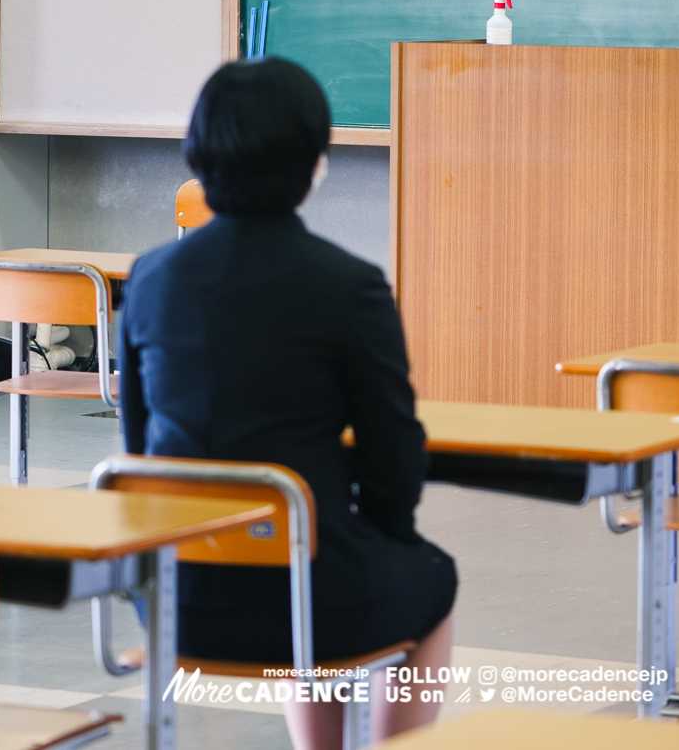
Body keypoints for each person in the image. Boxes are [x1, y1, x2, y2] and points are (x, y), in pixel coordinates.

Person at [120, 58, 456, 750]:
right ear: (315, 161)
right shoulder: (349, 284)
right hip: (313, 597)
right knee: (426, 575)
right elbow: (395, 452)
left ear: (198, 153)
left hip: (173, 598)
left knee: (309, 563)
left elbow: (137, 443)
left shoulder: (151, 277)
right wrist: (388, 531)